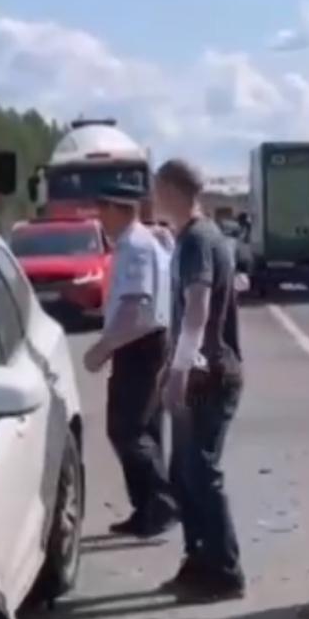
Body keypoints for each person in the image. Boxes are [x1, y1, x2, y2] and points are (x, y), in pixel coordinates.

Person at [155, 158, 246, 601]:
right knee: (185, 472)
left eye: (157, 189)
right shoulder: (195, 237)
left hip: (208, 374)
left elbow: (197, 308)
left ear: (172, 190)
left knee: (200, 471)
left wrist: (180, 368)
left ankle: (225, 569)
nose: (153, 198)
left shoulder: (196, 241)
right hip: (202, 370)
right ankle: (200, 557)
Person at [81, 175, 176, 536]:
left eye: (102, 209)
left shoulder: (136, 247)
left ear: (118, 210)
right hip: (146, 343)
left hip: (141, 345)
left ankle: (162, 503)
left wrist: (103, 348)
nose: (98, 217)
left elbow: (136, 308)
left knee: (127, 429)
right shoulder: (134, 243)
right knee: (144, 429)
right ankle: (148, 509)